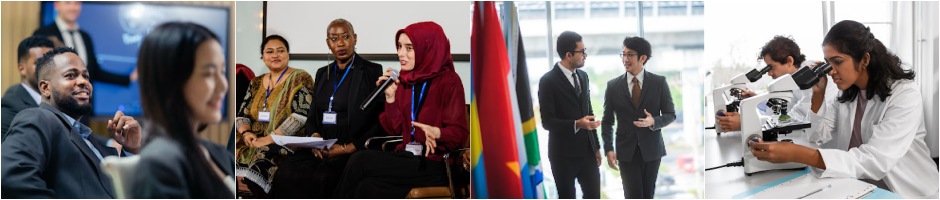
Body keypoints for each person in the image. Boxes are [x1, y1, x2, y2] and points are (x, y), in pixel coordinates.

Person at [748, 20, 939, 198]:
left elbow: (875, 160)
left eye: (837, 61)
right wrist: (818, 95)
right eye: (828, 63)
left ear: (864, 60)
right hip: (862, 186)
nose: (831, 70)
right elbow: (817, 135)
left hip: (908, 192)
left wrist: (798, 154)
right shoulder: (848, 94)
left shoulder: (904, 94)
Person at [334, 21, 468, 198]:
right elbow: (394, 129)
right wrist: (390, 98)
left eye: (409, 48)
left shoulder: (449, 81)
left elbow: (459, 134)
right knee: (366, 186)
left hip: (438, 163)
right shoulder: (406, 81)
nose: (400, 53)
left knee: (360, 160)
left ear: (428, 49)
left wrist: (438, 132)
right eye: (399, 46)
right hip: (408, 158)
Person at [1, 47, 141, 198]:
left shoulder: (89, 138)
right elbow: (10, 177)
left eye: (86, 76)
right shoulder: (38, 118)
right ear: (45, 87)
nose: (83, 82)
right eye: (71, 75)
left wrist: (130, 150)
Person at [270, 19, 385, 198]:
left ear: (355, 38)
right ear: (328, 43)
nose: (340, 43)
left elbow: (379, 119)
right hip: (321, 146)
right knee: (286, 172)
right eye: (334, 38)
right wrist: (315, 139)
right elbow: (313, 114)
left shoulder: (371, 70)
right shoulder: (322, 73)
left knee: (322, 177)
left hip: (352, 146)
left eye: (346, 37)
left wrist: (348, 147)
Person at [129, 22, 235, 198]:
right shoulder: (160, 164)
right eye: (209, 74)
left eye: (222, 71)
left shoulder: (217, 152)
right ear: (171, 81)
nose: (223, 85)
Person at [235, 35, 314, 197]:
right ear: (263, 57)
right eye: (269, 51)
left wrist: (269, 139)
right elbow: (242, 114)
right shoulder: (255, 82)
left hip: (285, 140)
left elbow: (300, 117)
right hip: (254, 138)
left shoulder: (300, 77)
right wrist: (246, 133)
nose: (275, 55)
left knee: (262, 155)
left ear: (288, 54)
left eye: (280, 51)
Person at [601, 36, 676, 199]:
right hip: (626, 151)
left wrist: (653, 121)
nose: (625, 59)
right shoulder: (612, 86)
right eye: (623, 55)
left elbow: (671, 114)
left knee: (648, 194)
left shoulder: (659, 82)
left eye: (630, 55)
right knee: (633, 195)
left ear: (642, 58)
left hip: (652, 150)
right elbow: (607, 122)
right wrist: (608, 148)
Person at [538, 30, 602, 199]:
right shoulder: (548, 81)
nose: (585, 55)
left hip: (587, 153)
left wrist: (596, 147)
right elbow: (547, 121)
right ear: (568, 55)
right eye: (582, 51)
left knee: (594, 195)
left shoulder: (584, 76)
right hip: (563, 155)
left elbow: (589, 113)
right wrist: (576, 124)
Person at [716, 36, 823, 132]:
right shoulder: (793, 80)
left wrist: (746, 122)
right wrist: (755, 99)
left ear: (789, 61)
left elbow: (799, 117)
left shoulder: (810, 75)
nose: (769, 73)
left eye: (771, 67)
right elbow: (787, 110)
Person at [32, 1, 135, 86]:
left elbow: (95, 73)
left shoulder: (85, 37)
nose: (73, 8)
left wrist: (129, 78)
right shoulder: (43, 34)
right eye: (68, 3)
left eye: (76, 3)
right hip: (57, 105)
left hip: (85, 105)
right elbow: (39, 72)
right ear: (56, 5)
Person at [2, 36, 54, 137]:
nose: (48, 69)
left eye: (51, 62)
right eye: (40, 63)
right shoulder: (9, 106)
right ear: (22, 69)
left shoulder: (59, 99)